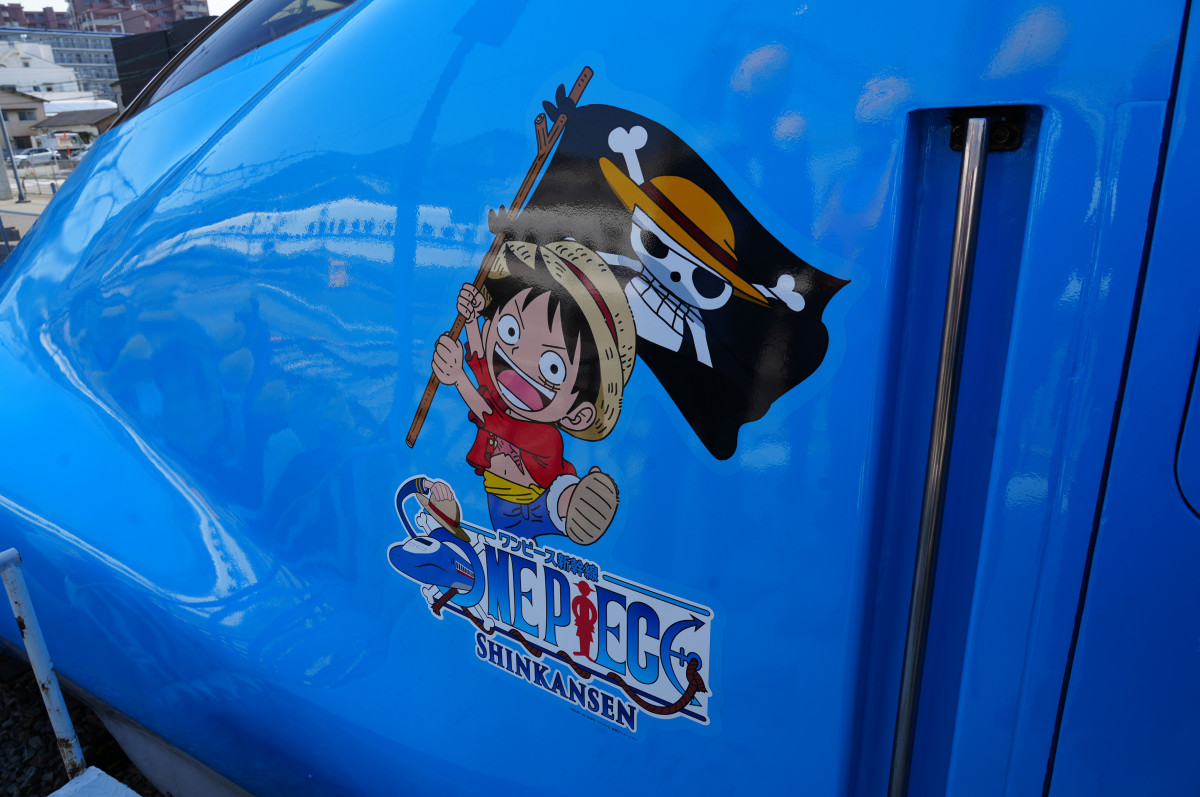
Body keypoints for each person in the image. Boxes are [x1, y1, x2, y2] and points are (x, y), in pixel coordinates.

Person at [431, 240, 635, 545]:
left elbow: (490, 417)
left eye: (553, 367)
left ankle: (574, 506)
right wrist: (472, 319)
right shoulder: (499, 390)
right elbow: (483, 366)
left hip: (530, 503)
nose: (518, 360)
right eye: (510, 330)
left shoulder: (547, 438)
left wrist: (458, 378)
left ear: (578, 414)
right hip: (497, 500)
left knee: (551, 505)